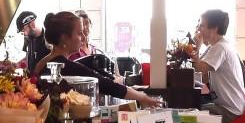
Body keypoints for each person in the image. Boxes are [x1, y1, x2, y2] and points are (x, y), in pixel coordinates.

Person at [34, 11, 163, 108]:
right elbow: (106, 85)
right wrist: (142, 97)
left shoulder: (43, 62)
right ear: (64, 38)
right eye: (79, 33)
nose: (84, 37)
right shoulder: (64, 66)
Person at [191, 9, 245, 123]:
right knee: (190, 108)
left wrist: (196, 46)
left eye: (202, 25)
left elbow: (199, 70)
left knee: (188, 114)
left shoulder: (220, 48)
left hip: (230, 109)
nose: (198, 29)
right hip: (232, 105)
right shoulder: (215, 47)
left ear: (214, 28)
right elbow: (204, 77)